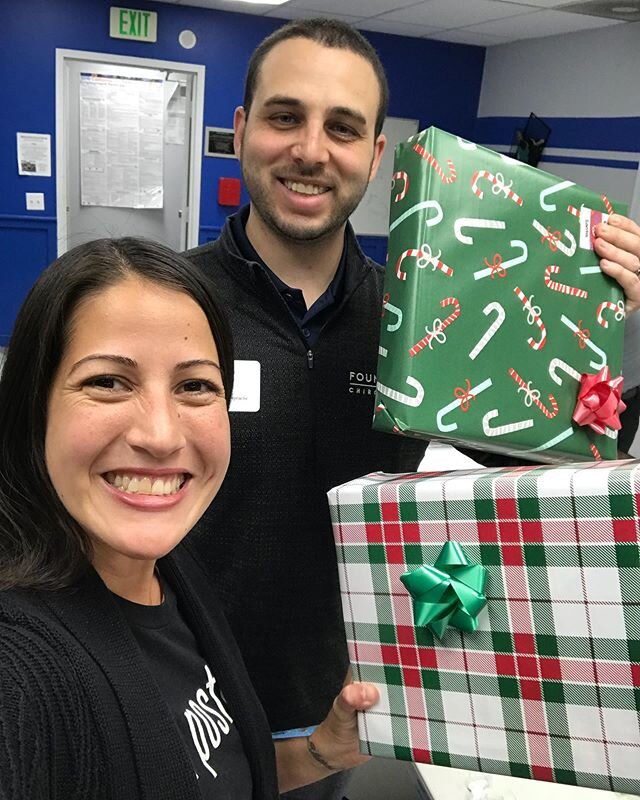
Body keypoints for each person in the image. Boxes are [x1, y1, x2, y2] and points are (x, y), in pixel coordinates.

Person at [185, 17, 640, 800]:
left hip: (337, 707)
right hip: (186, 695)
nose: (310, 150)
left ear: (375, 156)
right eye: (285, 116)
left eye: (343, 128)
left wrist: (590, 334)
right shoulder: (170, 303)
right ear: (242, 127)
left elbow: (556, 468)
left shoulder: (428, 322)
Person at [0, 236, 379, 799]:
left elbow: (213, 774)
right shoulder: (23, 673)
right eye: (108, 382)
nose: (160, 435)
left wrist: (325, 749)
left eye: (195, 386)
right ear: (34, 407)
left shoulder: (172, 578)